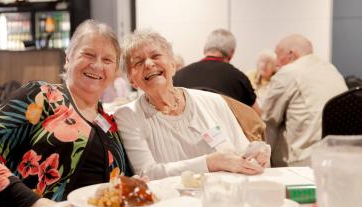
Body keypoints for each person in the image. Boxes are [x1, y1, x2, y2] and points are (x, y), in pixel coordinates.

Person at [0, 20, 132, 207]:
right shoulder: (41, 96)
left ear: (114, 70)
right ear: (68, 58)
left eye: (107, 59)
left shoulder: (108, 122)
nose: (97, 65)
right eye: (88, 55)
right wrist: (33, 203)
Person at [114, 29, 269, 180]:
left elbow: (242, 152)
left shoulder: (212, 101)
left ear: (173, 65)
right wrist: (211, 162)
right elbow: (146, 173)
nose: (148, 63)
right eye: (138, 62)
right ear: (131, 80)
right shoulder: (128, 115)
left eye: (155, 55)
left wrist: (257, 152)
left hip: (224, 197)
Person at [262, 34, 347, 167]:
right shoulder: (332, 70)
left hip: (301, 162)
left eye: (278, 55)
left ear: (291, 54)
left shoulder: (288, 73)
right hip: (339, 156)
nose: (276, 63)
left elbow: (267, 119)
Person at [173, 29, 261, 115]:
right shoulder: (239, 78)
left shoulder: (178, 77)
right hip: (226, 129)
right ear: (231, 53)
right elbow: (257, 115)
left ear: (205, 49)